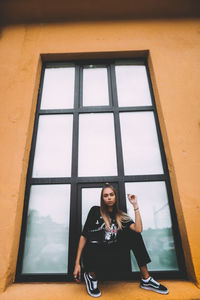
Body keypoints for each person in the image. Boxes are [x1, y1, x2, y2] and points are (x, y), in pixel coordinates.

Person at [73, 183, 169, 297]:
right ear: (102, 199)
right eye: (105, 195)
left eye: (111, 195)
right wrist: (77, 263)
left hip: (112, 257)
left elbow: (138, 229)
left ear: (115, 197)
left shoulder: (121, 216)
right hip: (95, 257)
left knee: (135, 235)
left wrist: (135, 205)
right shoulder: (95, 211)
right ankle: (91, 276)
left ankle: (146, 279)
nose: (109, 197)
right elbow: (84, 236)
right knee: (94, 242)